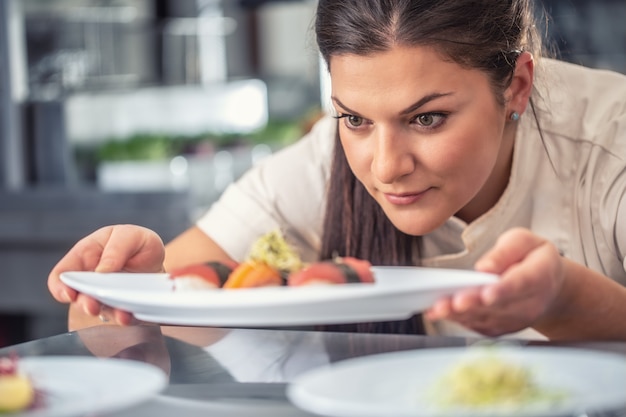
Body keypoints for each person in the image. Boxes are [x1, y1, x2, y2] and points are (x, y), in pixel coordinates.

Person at [48, 0, 626, 341]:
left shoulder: (610, 145)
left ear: (517, 85)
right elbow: (87, 325)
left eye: (427, 118)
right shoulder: (321, 165)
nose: (385, 167)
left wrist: (564, 300)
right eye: (354, 118)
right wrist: (136, 292)